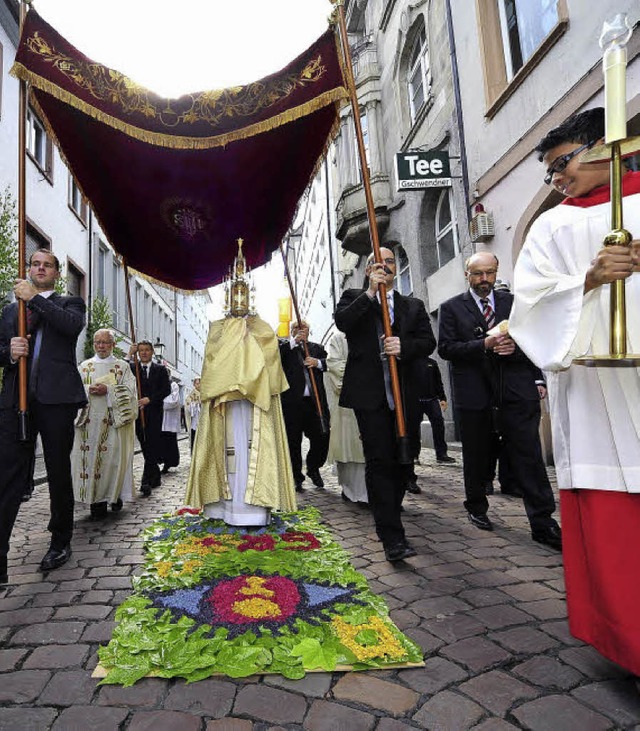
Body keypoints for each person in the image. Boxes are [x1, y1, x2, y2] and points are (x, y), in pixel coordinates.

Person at [508, 107, 640, 674]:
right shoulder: (549, 226)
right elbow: (530, 306)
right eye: (549, 171)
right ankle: (628, 641)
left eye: (561, 164)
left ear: (606, 147)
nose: (556, 179)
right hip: (590, 392)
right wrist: (586, 278)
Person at [438, 251, 560, 549]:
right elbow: (447, 349)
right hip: (475, 395)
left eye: (489, 273)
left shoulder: (513, 303)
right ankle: (477, 507)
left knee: (529, 455)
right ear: (467, 274)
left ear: (496, 272)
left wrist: (533, 373)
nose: (484, 280)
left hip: (516, 392)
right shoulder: (452, 308)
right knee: (478, 455)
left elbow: (533, 340)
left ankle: (543, 523)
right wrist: (485, 344)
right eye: (478, 274)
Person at [335, 247, 435, 562]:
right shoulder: (354, 297)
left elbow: (428, 342)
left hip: (405, 395)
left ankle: (391, 509)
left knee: (404, 462)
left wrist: (403, 346)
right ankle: (392, 536)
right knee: (379, 462)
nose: (384, 265)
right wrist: (368, 294)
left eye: (389, 261)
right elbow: (343, 323)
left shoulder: (412, 305)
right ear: (368, 270)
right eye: (376, 262)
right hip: (371, 396)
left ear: (396, 268)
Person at [185, 240, 296, 524]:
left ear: (250, 295)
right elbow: (212, 365)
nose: (239, 299)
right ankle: (223, 507)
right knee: (226, 453)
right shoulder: (218, 328)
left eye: (243, 293)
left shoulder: (262, 328)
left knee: (251, 451)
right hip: (225, 404)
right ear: (227, 296)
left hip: (253, 404)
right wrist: (229, 378)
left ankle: (255, 511)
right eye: (234, 293)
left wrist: (247, 376)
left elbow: (269, 365)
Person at [0, 248, 86, 584]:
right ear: (29, 268)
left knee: (57, 470)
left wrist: (34, 298)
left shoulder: (68, 304)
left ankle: (60, 539)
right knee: (7, 475)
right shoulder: (10, 311)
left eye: (46, 265)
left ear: (55, 273)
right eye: (35, 264)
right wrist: (9, 352)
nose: (40, 268)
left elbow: (69, 327)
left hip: (56, 401)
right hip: (15, 402)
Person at [71, 328, 138, 519]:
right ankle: (95, 502)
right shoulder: (84, 367)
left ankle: (114, 496)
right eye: (98, 342)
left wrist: (108, 391)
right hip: (88, 425)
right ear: (94, 344)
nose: (101, 346)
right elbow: (73, 390)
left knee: (112, 462)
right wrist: (87, 389)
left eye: (106, 342)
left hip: (112, 424)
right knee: (91, 462)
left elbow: (131, 394)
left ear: (113, 345)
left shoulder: (122, 367)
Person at [279, 320, 330, 492]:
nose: (300, 331)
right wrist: (294, 341)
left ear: (309, 331)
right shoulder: (285, 347)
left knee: (322, 437)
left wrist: (318, 363)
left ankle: (313, 466)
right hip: (292, 404)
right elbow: (274, 357)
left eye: (304, 328)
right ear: (292, 331)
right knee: (293, 441)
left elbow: (331, 363)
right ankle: (296, 476)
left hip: (314, 403)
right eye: (296, 328)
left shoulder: (317, 348)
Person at [325, 330, 367, 505]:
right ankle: (352, 491)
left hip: (376, 398)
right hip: (349, 403)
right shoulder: (338, 338)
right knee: (351, 447)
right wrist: (361, 377)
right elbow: (334, 365)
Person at [406, 356, 455, 494]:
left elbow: (439, 382)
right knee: (414, 429)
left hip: (431, 399)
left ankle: (441, 453)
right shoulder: (410, 363)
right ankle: (414, 455)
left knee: (438, 423)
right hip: (416, 400)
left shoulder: (432, 363)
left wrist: (443, 397)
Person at [127, 340, 171, 496]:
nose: (144, 353)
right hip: (139, 414)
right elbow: (120, 374)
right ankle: (155, 475)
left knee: (152, 443)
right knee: (145, 445)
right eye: (141, 350)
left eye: (147, 350)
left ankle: (145, 481)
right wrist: (128, 355)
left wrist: (150, 399)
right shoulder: (133, 368)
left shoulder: (160, 370)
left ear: (152, 352)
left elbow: (166, 390)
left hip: (154, 413)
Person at [159, 376, 181, 474]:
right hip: (160, 420)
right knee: (161, 443)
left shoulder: (174, 385)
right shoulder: (160, 385)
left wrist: (160, 401)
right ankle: (161, 461)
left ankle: (168, 463)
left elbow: (174, 400)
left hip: (170, 421)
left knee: (170, 443)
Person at [184, 377, 201, 451]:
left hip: (203, 421)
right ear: (194, 384)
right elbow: (188, 407)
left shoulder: (204, 393)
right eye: (197, 383)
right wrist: (195, 404)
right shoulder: (191, 394)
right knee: (194, 443)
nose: (199, 385)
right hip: (195, 422)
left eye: (200, 383)